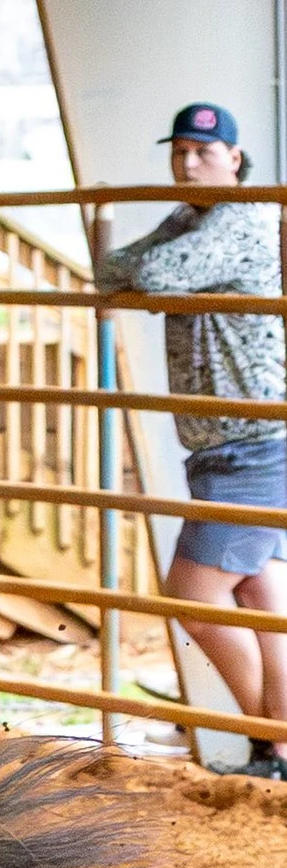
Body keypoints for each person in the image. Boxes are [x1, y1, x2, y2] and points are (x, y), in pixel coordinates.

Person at [96, 101, 287, 775]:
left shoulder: (242, 219)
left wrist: (137, 271)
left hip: (253, 441)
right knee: (262, 597)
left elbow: (150, 273)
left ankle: (272, 739)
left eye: (203, 152)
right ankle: (275, 747)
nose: (187, 163)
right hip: (226, 443)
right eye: (178, 151)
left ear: (234, 158)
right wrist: (133, 268)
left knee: (192, 597)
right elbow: (111, 263)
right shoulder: (190, 218)